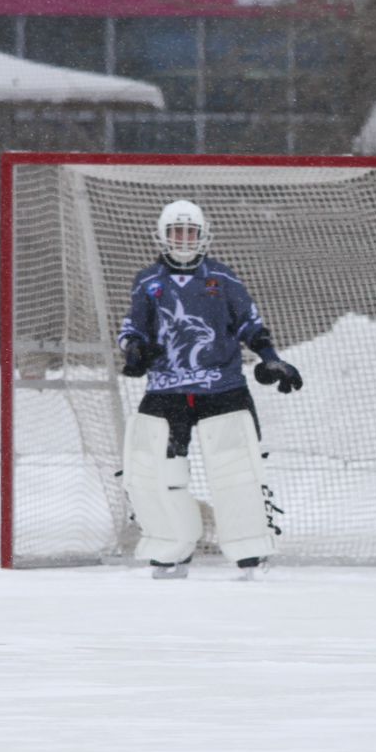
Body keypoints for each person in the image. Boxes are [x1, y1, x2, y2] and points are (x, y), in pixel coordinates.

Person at [117, 200, 302, 578]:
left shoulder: (222, 278)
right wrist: (135, 351)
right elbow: (131, 330)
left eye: (190, 232)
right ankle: (171, 548)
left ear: (202, 236)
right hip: (167, 390)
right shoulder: (148, 281)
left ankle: (250, 551)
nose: (183, 239)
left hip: (223, 387)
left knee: (237, 470)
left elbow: (250, 324)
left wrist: (270, 358)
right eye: (176, 232)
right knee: (152, 470)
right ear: (163, 236)